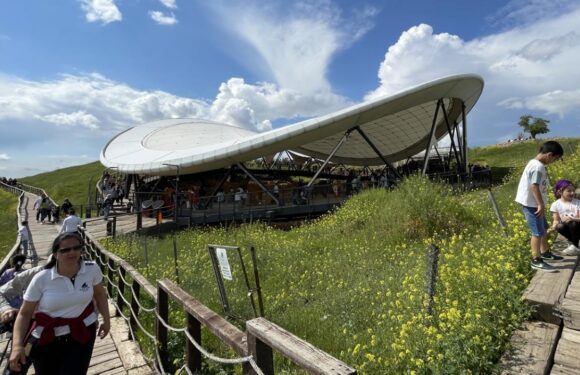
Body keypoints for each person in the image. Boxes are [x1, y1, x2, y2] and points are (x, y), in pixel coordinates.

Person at [9, 233, 111, 374]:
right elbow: (24, 313)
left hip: (83, 332)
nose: (72, 252)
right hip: (47, 337)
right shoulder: (42, 278)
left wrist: (107, 320)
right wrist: (17, 346)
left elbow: (99, 294)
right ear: (55, 254)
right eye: (65, 250)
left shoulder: (91, 269)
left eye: (76, 248)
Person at [515, 141, 565, 272]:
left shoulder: (534, 163)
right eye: (555, 158)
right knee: (537, 232)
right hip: (532, 205)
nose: (554, 161)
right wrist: (540, 204)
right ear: (549, 155)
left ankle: (545, 253)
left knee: (543, 228)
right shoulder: (538, 167)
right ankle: (536, 260)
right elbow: (534, 186)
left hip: (534, 203)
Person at [549, 179, 580, 255]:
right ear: (560, 192)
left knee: (573, 223)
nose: (572, 193)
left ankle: (575, 246)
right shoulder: (555, 204)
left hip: (578, 226)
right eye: (569, 191)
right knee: (559, 226)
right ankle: (574, 244)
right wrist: (550, 229)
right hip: (567, 229)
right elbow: (556, 220)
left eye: (573, 190)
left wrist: (572, 218)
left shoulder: (577, 202)